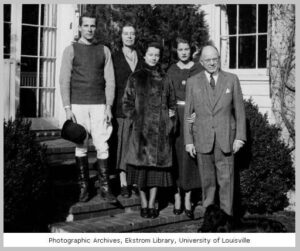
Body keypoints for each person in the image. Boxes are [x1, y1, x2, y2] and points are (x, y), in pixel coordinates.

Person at [184, 45, 246, 231]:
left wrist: (240, 137)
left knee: (227, 184)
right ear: (201, 62)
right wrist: (188, 141)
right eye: (208, 60)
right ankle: (209, 222)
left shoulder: (231, 80)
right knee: (208, 185)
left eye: (215, 58)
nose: (212, 62)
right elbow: (188, 112)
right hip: (202, 139)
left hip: (226, 139)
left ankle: (227, 224)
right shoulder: (193, 82)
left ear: (219, 59)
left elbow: (240, 112)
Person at [59, 12, 116, 203]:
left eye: (93, 26)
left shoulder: (104, 50)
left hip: (99, 104)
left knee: (102, 144)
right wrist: (67, 108)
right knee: (81, 144)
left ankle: (105, 187)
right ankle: (83, 187)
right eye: (86, 26)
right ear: (80, 27)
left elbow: (110, 81)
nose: (90, 29)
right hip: (78, 105)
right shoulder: (71, 50)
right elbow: (64, 80)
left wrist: (109, 106)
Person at [122, 42, 176, 219]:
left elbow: (172, 105)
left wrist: (169, 124)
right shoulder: (135, 77)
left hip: (160, 136)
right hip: (141, 136)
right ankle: (143, 203)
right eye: (150, 54)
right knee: (141, 173)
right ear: (144, 55)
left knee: (155, 175)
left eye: (157, 55)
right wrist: (136, 119)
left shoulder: (166, 78)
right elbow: (127, 103)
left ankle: (152, 203)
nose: (153, 58)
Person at [167, 38, 203, 219]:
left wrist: (199, 112)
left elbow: (205, 94)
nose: (183, 52)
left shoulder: (198, 69)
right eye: (180, 49)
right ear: (176, 51)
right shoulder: (171, 70)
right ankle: (176, 196)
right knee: (175, 156)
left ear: (192, 50)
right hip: (174, 117)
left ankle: (188, 196)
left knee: (189, 158)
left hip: (191, 116)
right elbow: (165, 94)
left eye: (186, 49)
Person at [111, 23, 142, 198]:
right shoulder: (115, 58)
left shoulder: (142, 59)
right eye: (126, 33)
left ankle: (135, 181)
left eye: (132, 33)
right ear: (121, 36)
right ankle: (123, 182)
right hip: (121, 111)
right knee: (123, 147)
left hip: (139, 112)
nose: (129, 36)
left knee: (136, 147)